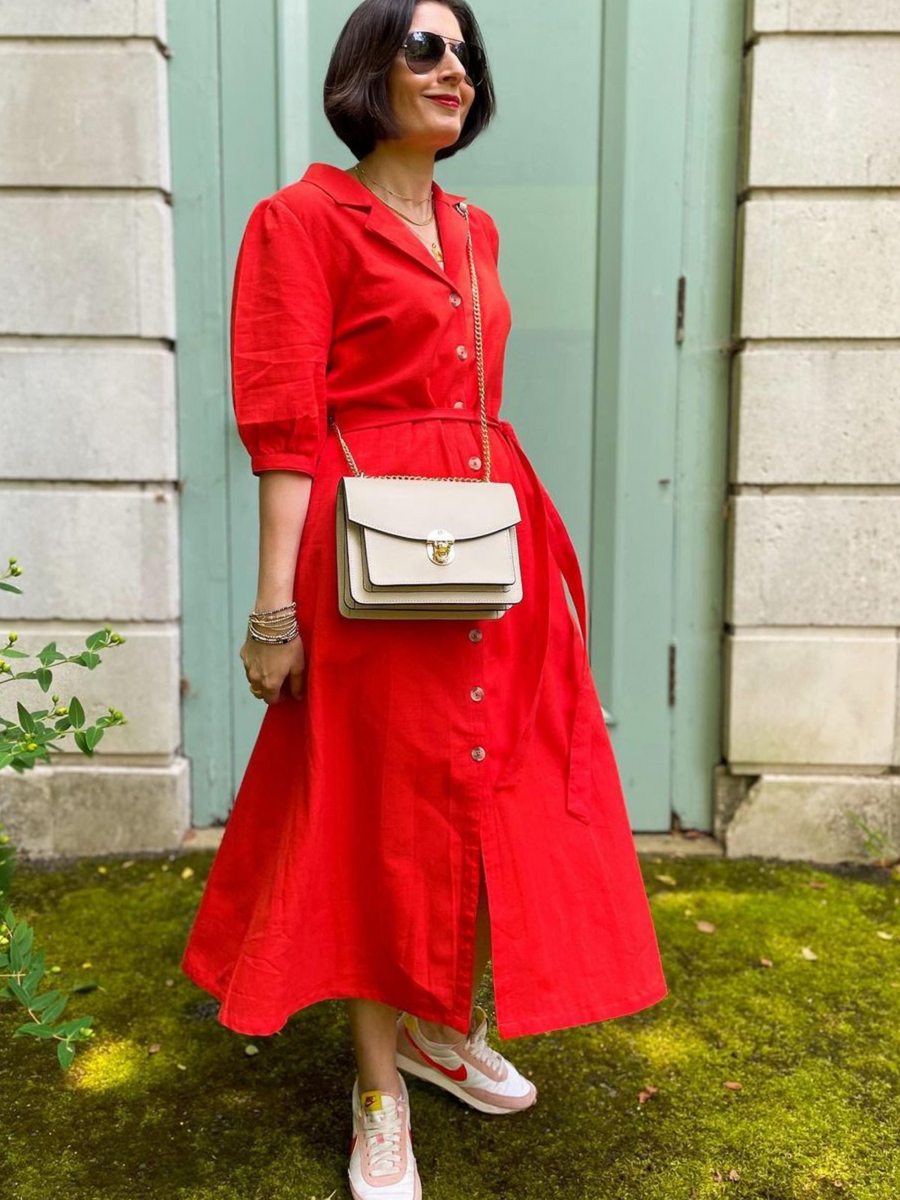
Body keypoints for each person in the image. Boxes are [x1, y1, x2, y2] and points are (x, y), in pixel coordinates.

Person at [180, 1, 668, 1196]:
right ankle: (378, 1088)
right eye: (426, 49)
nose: (455, 70)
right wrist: (273, 610)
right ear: (368, 72)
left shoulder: (476, 226)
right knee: (376, 809)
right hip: (370, 561)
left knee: (492, 782)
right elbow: (288, 430)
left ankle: (445, 1028)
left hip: (492, 549)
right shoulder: (301, 221)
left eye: (466, 54)